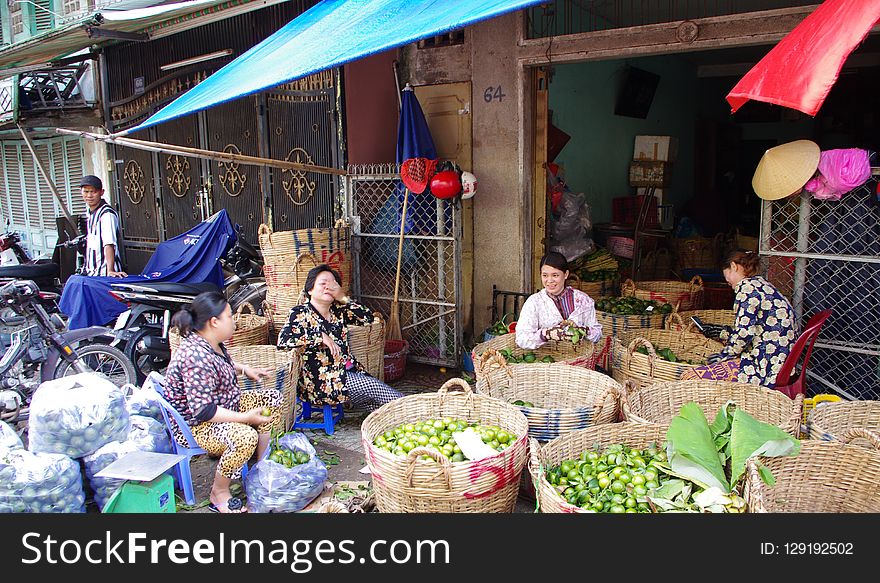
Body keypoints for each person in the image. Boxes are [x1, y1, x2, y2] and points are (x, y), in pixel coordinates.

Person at [163, 291, 281, 513]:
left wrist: (245, 369)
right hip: (197, 426)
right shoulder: (195, 356)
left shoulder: (210, 342)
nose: (234, 321)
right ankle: (219, 491)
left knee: (271, 399)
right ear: (214, 322)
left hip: (224, 406)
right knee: (246, 436)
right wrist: (245, 418)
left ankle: (260, 468)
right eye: (229, 316)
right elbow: (203, 411)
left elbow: (221, 362)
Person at [277, 264, 404, 412]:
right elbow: (283, 341)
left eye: (332, 285)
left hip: (348, 373)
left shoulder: (338, 311)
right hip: (320, 380)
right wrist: (319, 336)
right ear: (310, 289)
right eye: (323, 284)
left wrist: (342, 298)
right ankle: (412, 407)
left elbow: (367, 318)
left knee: (376, 405)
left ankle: (402, 417)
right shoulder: (299, 313)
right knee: (373, 387)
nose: (328, 288)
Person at [691, 250, 798, 388]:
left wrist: (722, 356)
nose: (727, 280)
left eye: (726, 274)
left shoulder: (746, 289)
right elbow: (756, 329)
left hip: (767, 365)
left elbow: (744, 335)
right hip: (782, 358)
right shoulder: (760, 283)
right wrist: (721, 332)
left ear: (733, 266)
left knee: (696, 376)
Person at [515, 252, 602, 350]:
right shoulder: (534, 302)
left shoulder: (583, 300)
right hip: (548, 363)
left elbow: (597, 334)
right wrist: (546, 334)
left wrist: (584, 330)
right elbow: (521, 339)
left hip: (580, 360)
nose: (549, 280)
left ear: (566, 274)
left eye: (555, 275)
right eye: (545, 275)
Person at [80, 174, 126, 277]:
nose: (89, 196)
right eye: (86, 192)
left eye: (93, 192)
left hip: (104, 274)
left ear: (101, 192)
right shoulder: (90, 212)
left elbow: (109, 243)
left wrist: (110, 270)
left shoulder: (106, 214)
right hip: (92, 272)